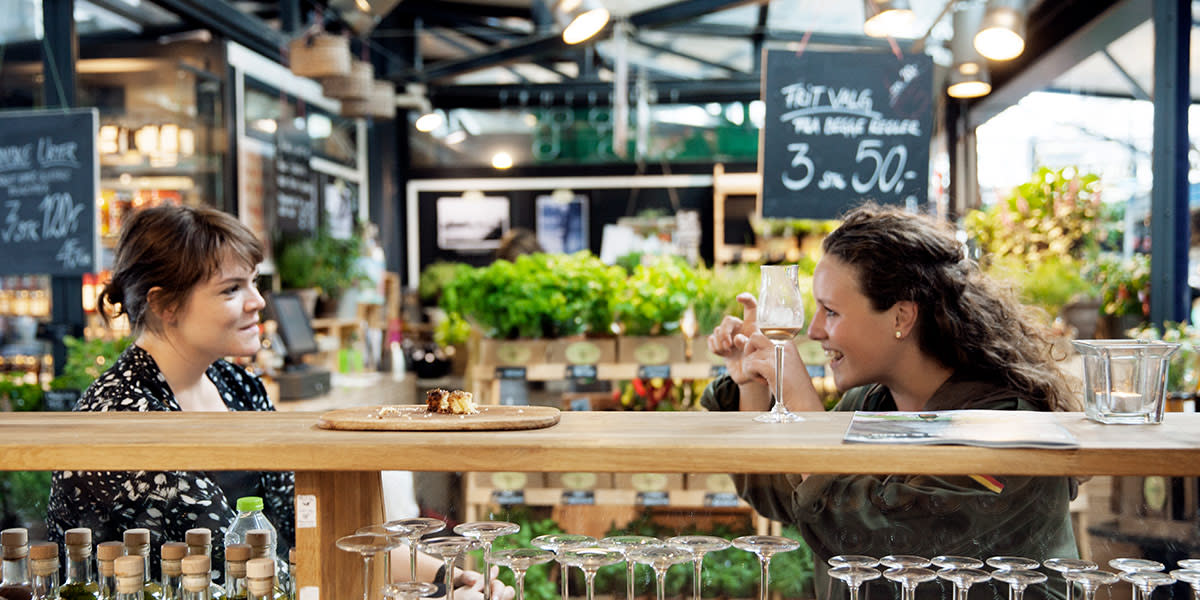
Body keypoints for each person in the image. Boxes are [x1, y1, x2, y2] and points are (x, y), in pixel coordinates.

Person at [45, 205, 513, 600]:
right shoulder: (127, 415)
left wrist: (442, 576)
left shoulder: (235, 384)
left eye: (253, 282)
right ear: (165, 305)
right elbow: (251, 571)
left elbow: (312, 530)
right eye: (232, 289)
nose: (258, 302)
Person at [704, 203, 1079, 600]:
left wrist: (802, 405)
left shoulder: (1004, 424)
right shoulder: (869, 403)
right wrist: (754, 387)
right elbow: (783, 495)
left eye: (830, 311)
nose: (813, 331)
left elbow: (885, 542)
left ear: (901, 317)